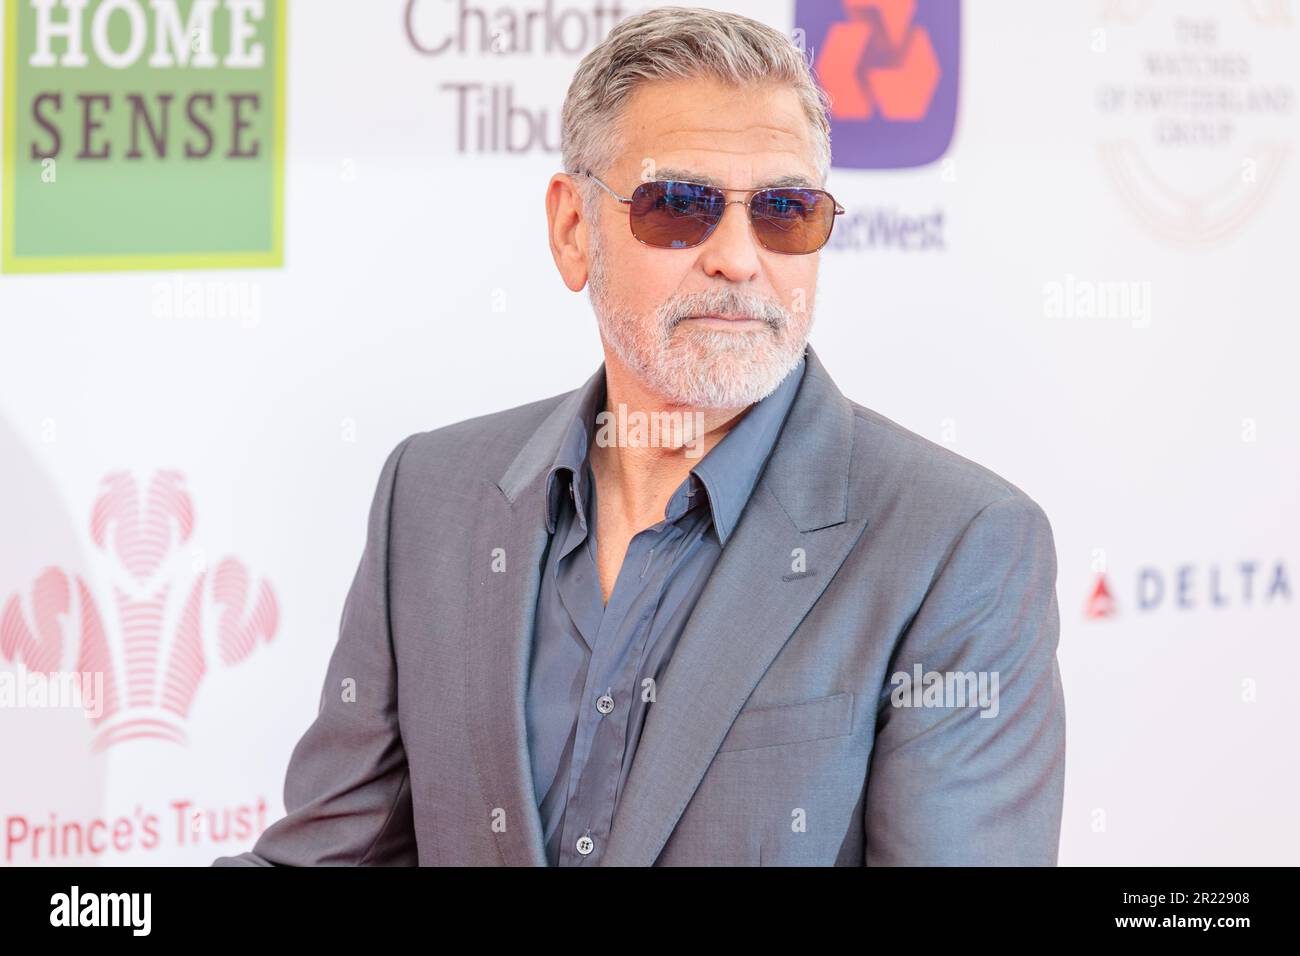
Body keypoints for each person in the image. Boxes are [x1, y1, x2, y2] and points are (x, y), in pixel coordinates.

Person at [214, 5, 1065, 867]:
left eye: (784, 210)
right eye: (680, 206)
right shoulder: (429, 497)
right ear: (573, 230)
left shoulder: (958, 547)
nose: (738, 257)